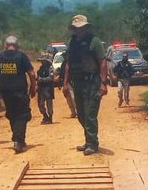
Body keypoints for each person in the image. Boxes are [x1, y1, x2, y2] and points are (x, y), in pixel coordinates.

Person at [63, 14, 108, 155]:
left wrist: (103, 83)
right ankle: (88, 140)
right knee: (81, 114)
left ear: (86, 28)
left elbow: (102, 62)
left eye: (81, 28)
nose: (79, 31)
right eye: (76, 28)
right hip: (77, 82)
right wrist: (65, 83)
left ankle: (92, 144)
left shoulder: (94, 41)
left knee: (90, 114)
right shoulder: (72, 42)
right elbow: (68, 64)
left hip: (92, 82)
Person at [0, 35, 37, 153]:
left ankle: (18, 139)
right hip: (20, 92)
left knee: (12, 115)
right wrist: (33, 87)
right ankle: (18, 140)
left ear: (5, 46)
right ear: (17, 46)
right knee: (22, 115)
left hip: (6, 93)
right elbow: (32, 74)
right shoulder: (21, 56)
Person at [56, 51, 77, 118]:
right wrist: (60, 83)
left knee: (73, 98)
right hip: (65, 83)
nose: (64, 57)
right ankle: (73, 112)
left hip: (71, 82)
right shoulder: (64, 63)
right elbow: (61, 74)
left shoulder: (72, 63)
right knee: (68, 98)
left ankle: (78, 112)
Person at [36, 55, 56, 124]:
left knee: (49, 104)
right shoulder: (40, 69)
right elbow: (37, 77)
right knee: (40, 104)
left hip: (48, 89)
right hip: (41, 89)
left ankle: (50, 118)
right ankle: (45, 116)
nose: (42, 62)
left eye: (43, 61)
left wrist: (42, 80)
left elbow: (51, 78)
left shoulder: (50, 69)